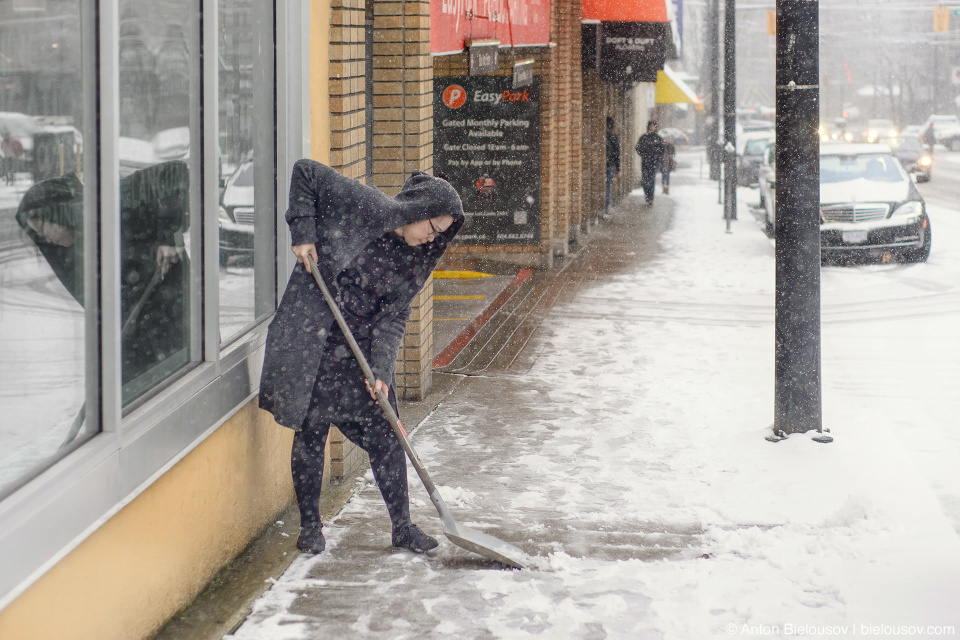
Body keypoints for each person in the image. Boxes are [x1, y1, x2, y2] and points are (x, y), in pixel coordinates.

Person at [259, 159, 464, 556]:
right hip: (314, 339)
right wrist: (302, 232)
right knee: (312, 431)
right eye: (432, 227)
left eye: (441, 234)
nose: (431, 238)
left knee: (388, 435)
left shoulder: (414, 261)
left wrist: (382, 370)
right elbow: (305, 172)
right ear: (417, 211)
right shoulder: (367, 206)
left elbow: (393, 316)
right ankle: (310, 527)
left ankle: (402, 528)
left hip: (359, 354)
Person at [635, 120, 665, 204]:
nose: (651, 128)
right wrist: (644, 154)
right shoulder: (644, 137)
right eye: (650, 126)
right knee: (645, 180)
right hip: (645, 162)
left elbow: (662, 149)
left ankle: (651, 197)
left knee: (652, 180)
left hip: (653, 163)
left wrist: (656, 155)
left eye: (653, 126)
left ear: (655, 127)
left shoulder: (658, 138)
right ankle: (647, 195)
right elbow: (638, 147)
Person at [605, 116, 621, 215]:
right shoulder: (613, 136)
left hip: (605, 164)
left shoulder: (604, 136)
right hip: (609, 164)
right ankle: (606, 208)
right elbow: (617, 154)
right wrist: (618, 168)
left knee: (606, 186)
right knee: (607, 186)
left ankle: (603, 208)